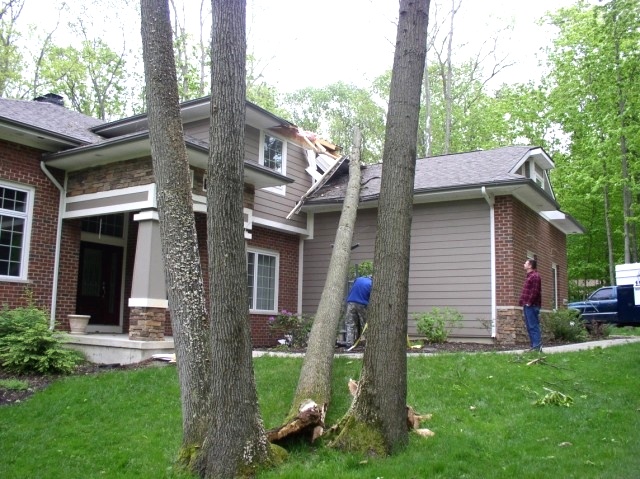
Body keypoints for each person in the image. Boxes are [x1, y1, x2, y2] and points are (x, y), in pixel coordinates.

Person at [519, 258, 542, 352]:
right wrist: (522, 301)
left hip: (532, 306)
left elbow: (535, 291)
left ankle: (537, 348)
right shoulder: (529, 276)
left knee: (533, 326)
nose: (524, 264)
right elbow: (526, 291)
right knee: (529, 327)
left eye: (526, 263)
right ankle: (534, 347)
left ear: (530, 265)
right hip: (527, 305)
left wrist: (529, 302)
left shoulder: (535, 276)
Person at [343, 275, 373, 347]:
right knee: (365, 324)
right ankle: (368, 343)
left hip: (351, 302)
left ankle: (349, 343)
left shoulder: (358, 279)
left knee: (350, 324)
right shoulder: (372, 283)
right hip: (362, 304)